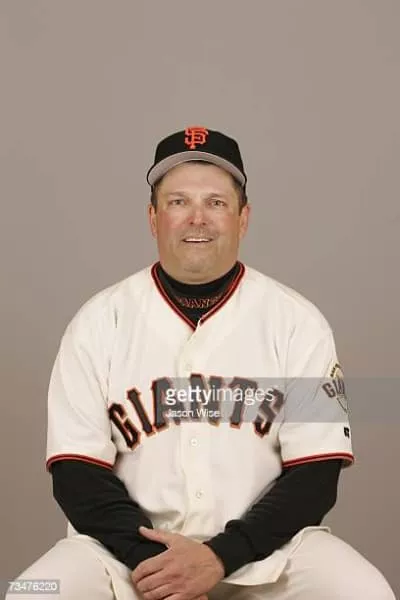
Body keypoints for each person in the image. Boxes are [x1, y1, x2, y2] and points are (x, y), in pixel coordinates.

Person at [7, 126, 396, 600]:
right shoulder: (98, 322)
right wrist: (160, 567)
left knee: (365, 592)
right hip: (124, 557)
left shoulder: (298, 322)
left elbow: (316, 476)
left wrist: (219, 557)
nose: (198, 218)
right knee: (33, 593)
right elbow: (76, 474)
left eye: (216, 202)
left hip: (267, 554)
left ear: (243, 218)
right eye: (178, 202)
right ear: (153, 217)